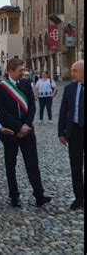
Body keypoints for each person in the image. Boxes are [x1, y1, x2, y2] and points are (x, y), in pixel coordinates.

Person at [0, 58, 52, 208]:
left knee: (33, 164)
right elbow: (3, 112)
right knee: (10, 165)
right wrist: (18, 127)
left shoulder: (26, 84)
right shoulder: (1, 88)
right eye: (20, 70)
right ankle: (14, 196)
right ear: (11, 71)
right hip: (10, 132)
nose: (23, 72)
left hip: (27, 131)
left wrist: (26, 125)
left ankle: (39, 194)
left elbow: (32, 106)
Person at [58, 60, 84, 210]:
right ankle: (79, 197)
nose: (72, 73)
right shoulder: (70, 89)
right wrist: (61, 132)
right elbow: (63, 112)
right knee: (75, 165)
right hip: (74, 131)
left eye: (75, 70)